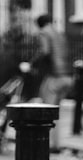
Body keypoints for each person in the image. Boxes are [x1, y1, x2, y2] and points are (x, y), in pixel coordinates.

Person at [33, 14, 73, 152]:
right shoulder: (60, 33)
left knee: (47, 112)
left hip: (54, 77)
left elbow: (45, 51)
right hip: (67, 77)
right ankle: (57, 144)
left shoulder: (44, 33)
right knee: (56, 112)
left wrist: (32, 64)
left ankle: (49, 144)